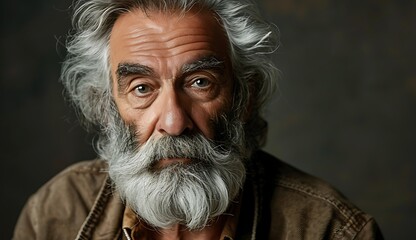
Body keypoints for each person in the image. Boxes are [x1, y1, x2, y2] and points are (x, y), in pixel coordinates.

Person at [13, 0, 383, 239]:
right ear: (104, 105)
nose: (174, 122)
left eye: (200, 82)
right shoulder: (55, 215)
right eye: (142, 88)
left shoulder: (332, 231)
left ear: (244, 96)